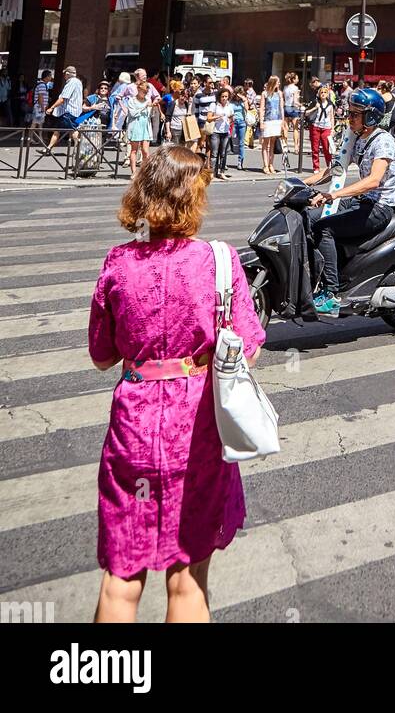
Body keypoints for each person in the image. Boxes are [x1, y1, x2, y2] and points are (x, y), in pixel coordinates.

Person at [88, 145, 264, 623]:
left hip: (134, 427)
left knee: (121, 579)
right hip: (198, 429)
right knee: (187, 581)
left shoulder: (118, 262)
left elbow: (103, 355)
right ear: (194, 199)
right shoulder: (220, 261)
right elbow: (248, 348)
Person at [302, 89, 395, 319]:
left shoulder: (383, 141)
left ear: (371, 117)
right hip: (363, 201)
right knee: (309, 217)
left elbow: (374, 180)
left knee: (324, 228)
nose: (350, 118)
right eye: (350, 113)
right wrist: (300, 183)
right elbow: (335, 169)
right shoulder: (357, 137)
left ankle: (332, 294)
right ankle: (321, 276)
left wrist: (334, 196)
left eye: (356, 114)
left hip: (379, 208)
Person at [46, 65, 84, 147]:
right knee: (59, 130)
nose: (64, 76)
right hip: (74, 111)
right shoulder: (78, 82)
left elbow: (63, 98)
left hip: (69, 112)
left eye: (65, 74)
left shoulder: (71, 83)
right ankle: (48, 148)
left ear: (67, 74)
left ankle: (79, 148)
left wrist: (51, 108)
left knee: (73, 129)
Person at [125, 79, 153, 178]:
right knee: (134, 150)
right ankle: (134, 172)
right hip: (135, 126)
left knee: (145, 150)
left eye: (146, 92)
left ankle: (145, 172)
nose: (145, 93)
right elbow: (133, 114)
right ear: (138, 89)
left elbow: (149, 116)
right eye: (144, 91)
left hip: (145, 127)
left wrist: (152, 108)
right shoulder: (132, 100)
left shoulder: (148, 100)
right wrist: (145, 106)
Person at [259, 75, 283, 176]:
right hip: (268, 120)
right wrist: (261, 121)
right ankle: (265, 165)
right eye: (277, 82)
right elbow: (262, 108)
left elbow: (281, 107)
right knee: (265, 144)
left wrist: (282, 121)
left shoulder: (279, 93)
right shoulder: (265, 94)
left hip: (276, 120)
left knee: (273, 143)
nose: (279, 84)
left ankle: (271, 164)